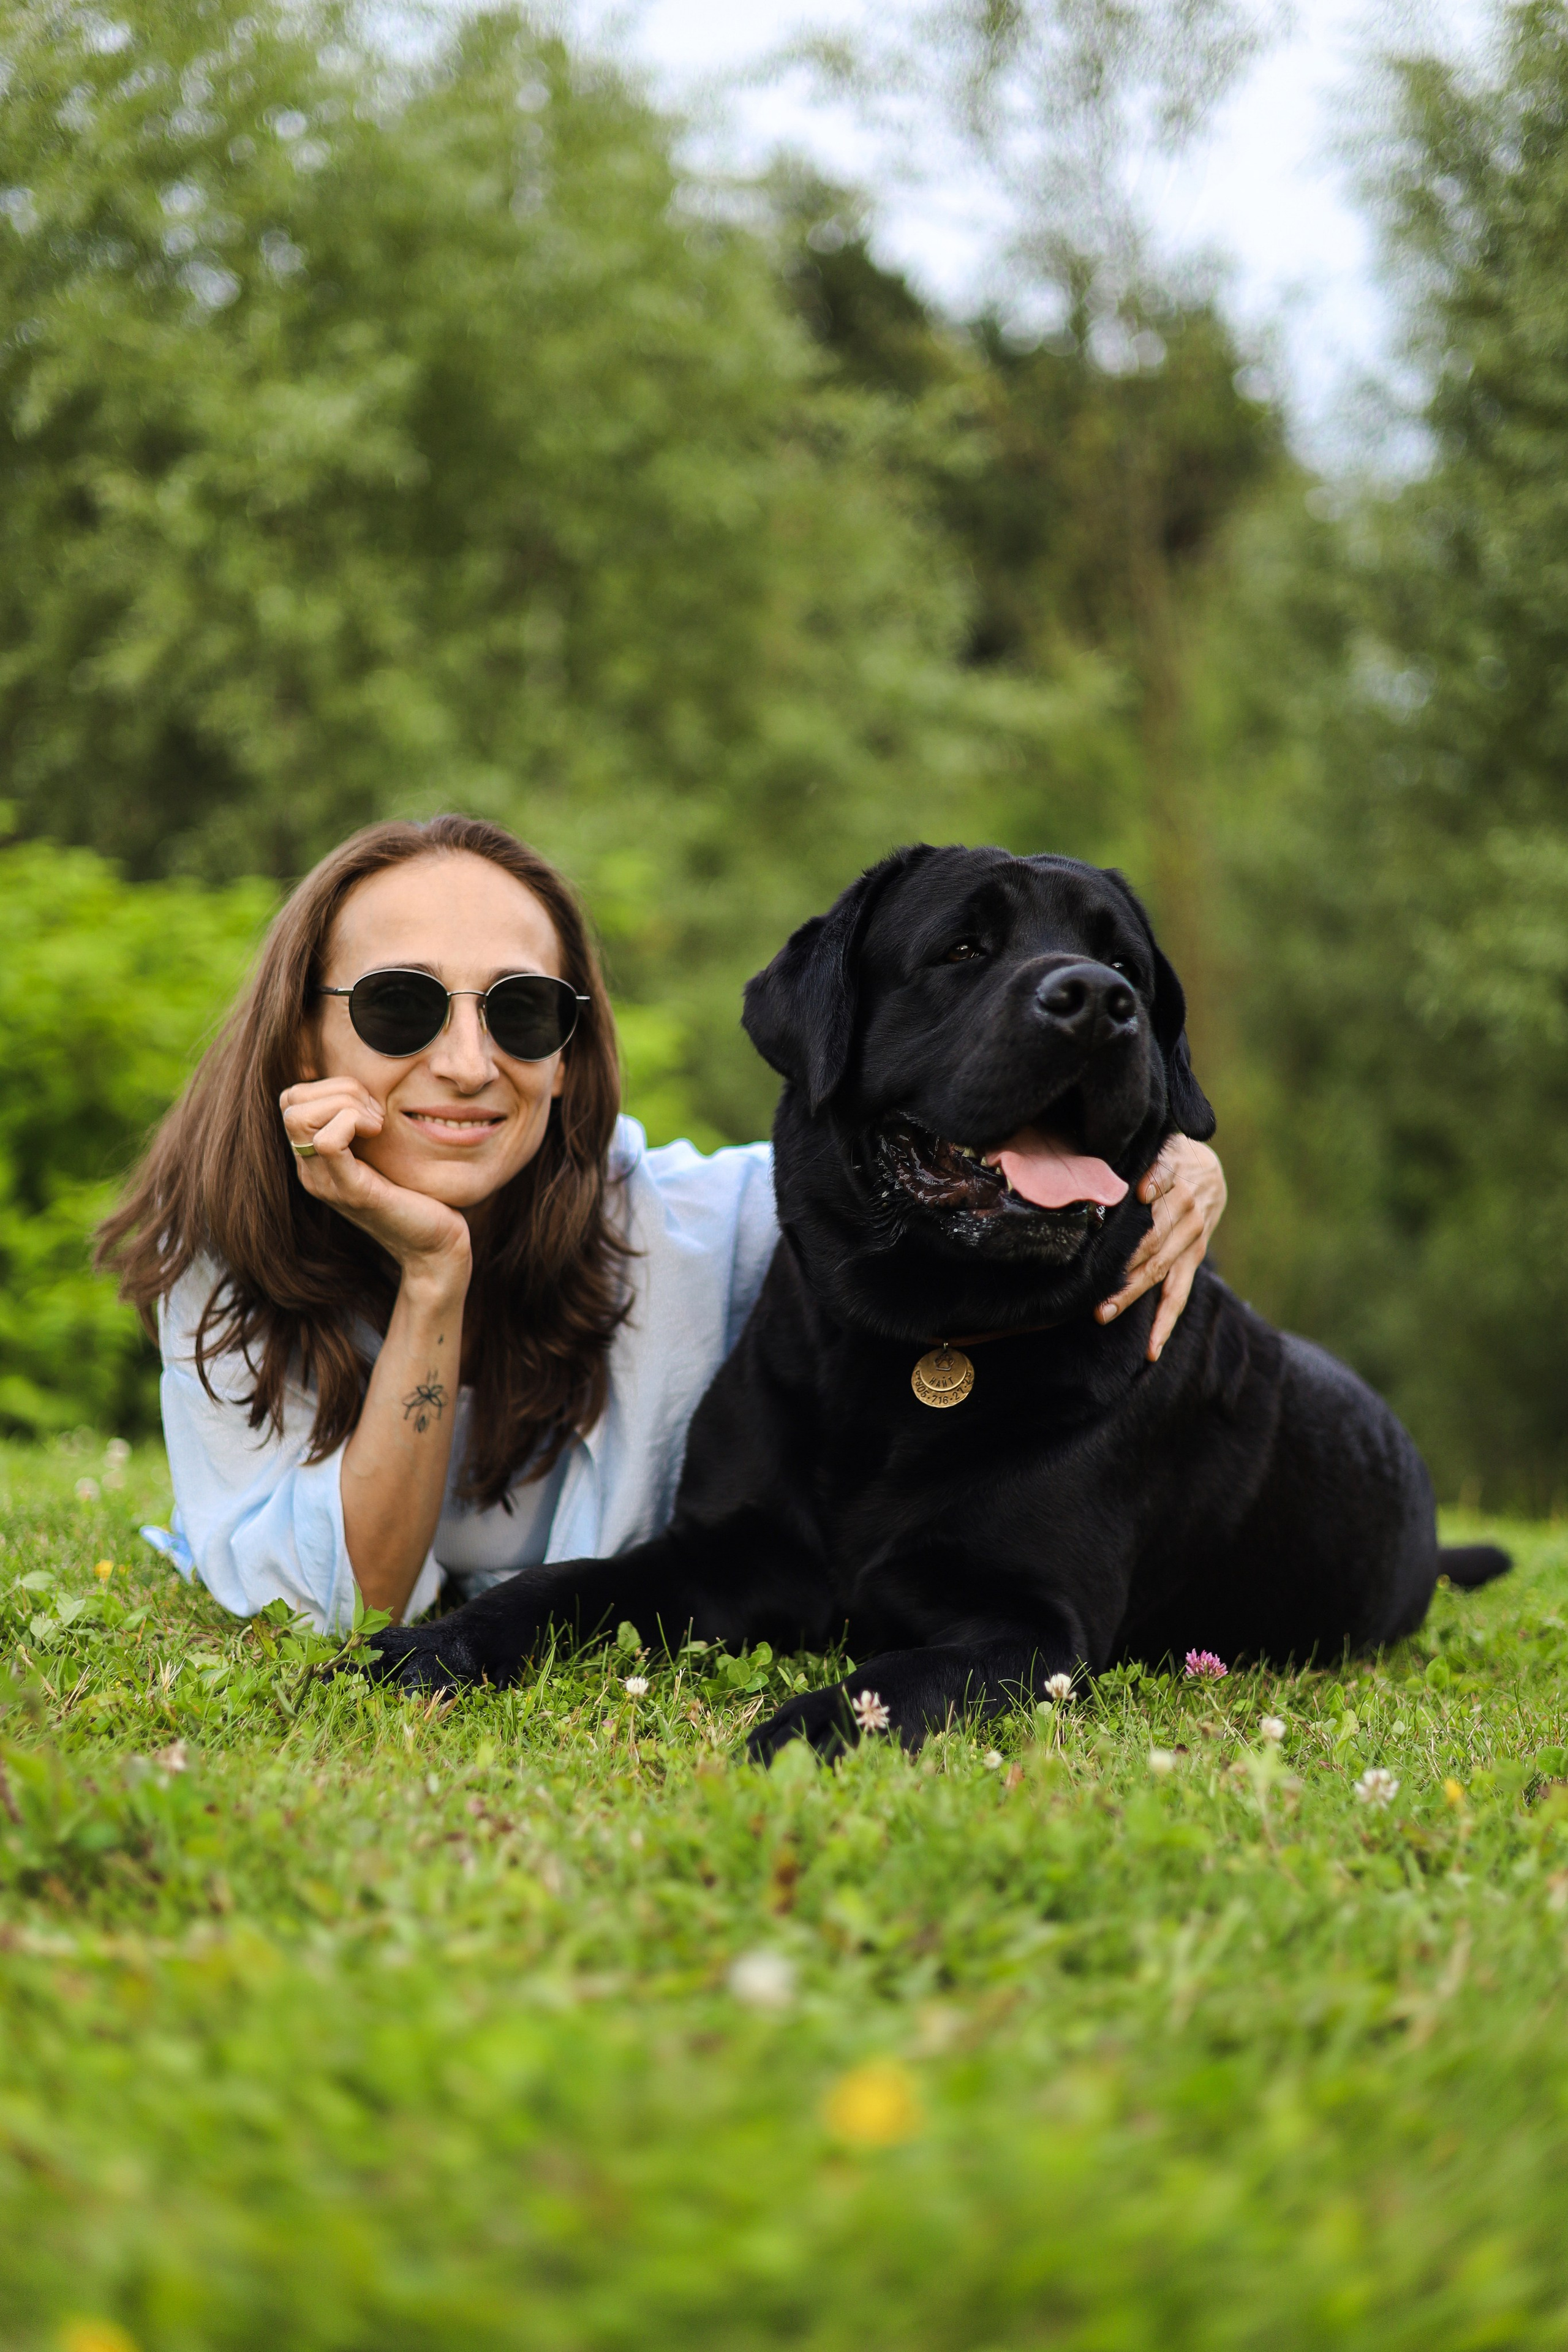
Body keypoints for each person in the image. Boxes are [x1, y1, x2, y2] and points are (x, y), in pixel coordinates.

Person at [99, 816, 1229, 1632]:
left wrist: (1177, 1153)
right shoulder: (226, 1264)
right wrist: (434, 1273)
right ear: (303, 1042)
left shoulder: (692, 1228)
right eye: (399, 1006)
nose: (464, 1062)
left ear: (569, 1051)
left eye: (520, 1011)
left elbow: (918, 1156)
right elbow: (352, 1604)